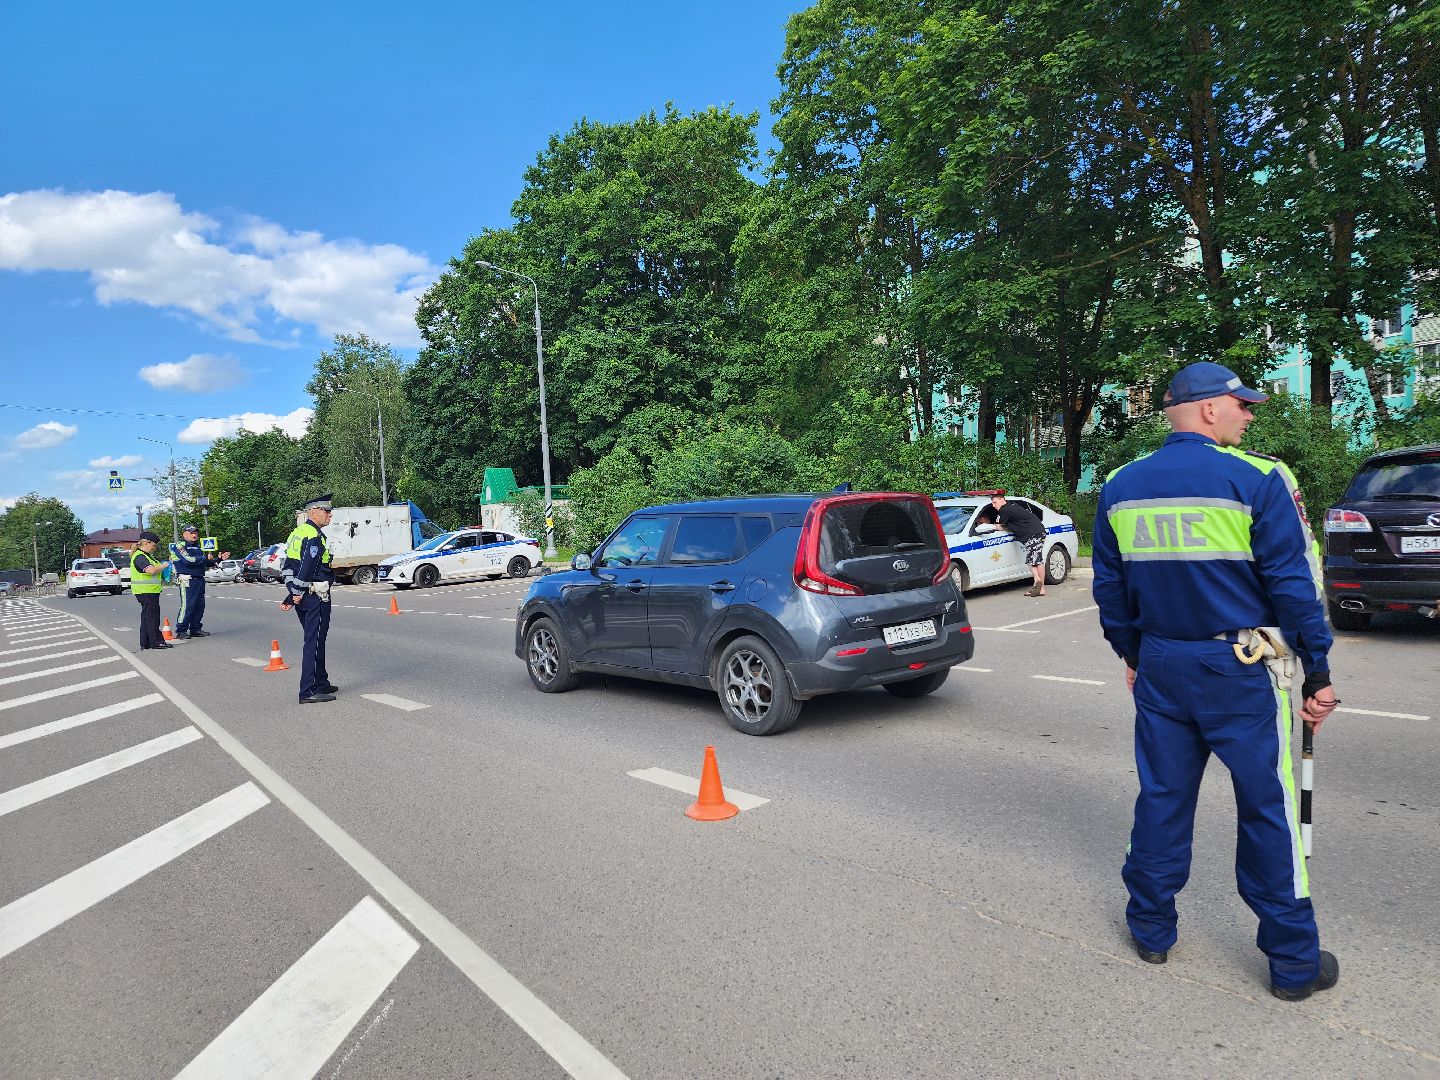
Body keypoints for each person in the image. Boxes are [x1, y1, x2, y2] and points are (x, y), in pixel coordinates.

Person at [1092, 360, 1341, 1001]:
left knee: (1162, 798)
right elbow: (1293, 585)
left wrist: (1135, 655)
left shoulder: (1121, 485)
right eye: (1243, 404)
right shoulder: (1259, 477)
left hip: (1161, 666)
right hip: (1238, 670)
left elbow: (1111, 593)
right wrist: (1317, 669)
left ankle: (1151, 929)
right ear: (1209, 409)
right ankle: (1293, 964)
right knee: (1269, 809)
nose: (1250, 414)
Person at [280, 493, 338, 704]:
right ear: (313, 512)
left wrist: (291, 593)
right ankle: (307, 691)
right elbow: (307, 568)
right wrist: (296, 593)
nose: (330, 516)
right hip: (314, 595)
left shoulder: (297, 533)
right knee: (313, 642)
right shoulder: (313, 536)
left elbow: (287, 568)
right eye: (327, 511)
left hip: (304, 595)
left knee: (316, 640)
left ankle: (321, 682)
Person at [169, 524, 229, 639]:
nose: (194, 535)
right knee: (187, 606)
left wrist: (219, 559)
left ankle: (195, 629)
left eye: (195, 533)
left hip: (199, 579)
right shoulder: (180, 545)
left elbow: (206, 563)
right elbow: (188, 560)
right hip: (187, 580)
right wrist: (204, 559)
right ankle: (181, 630)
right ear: (184, 534)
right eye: (191, 532)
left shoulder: (197, 547)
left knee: (199, 606)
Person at [989, 493, 1048, 596]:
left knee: (1032, 560)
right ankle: (1039, 586)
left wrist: (989, 526)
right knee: (1036, 560)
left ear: (1002, 500)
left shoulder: (1003, 510)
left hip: (1032, 534)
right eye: (992, 503)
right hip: (1039, 531)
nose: (993, 506)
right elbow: (1013, 523)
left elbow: (998, 527)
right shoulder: (1013, 506)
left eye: (995, 502)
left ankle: (1037, 581)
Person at [130, 531, 173, 651]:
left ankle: (146, 642)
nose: (154, 548)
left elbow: (155, 568)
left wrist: (167, 563)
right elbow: (152, 571)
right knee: (152, 618)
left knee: (146, 617)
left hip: (149, 591)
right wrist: (164, 566)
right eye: (153, 545)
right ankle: (157, 642)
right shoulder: (140, 556)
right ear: (146, 543)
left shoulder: (148, 556)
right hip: (146, 592)